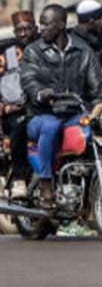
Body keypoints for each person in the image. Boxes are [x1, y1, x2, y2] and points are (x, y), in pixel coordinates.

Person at [19, 4, 102, 204]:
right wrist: (40, 93)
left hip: (74, 114)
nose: (41, 29)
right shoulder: (33, 51)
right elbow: (29, 80)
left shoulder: (83, 51)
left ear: (61, 25)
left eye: (46, 24)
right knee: (51, 125)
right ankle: (46, 182)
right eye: (40, 24)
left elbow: (97, 87)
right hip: (41, 115)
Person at [0, 10, 39, 198]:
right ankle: (18, 178)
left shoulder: (45, 49)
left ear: (35, 29)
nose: (23, 33)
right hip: (14, 111)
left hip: (42, 109)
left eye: (27, 29)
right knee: (19, 125)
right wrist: (5, 108)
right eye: (19, 30)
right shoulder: (7, 55)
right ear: (15, 32)